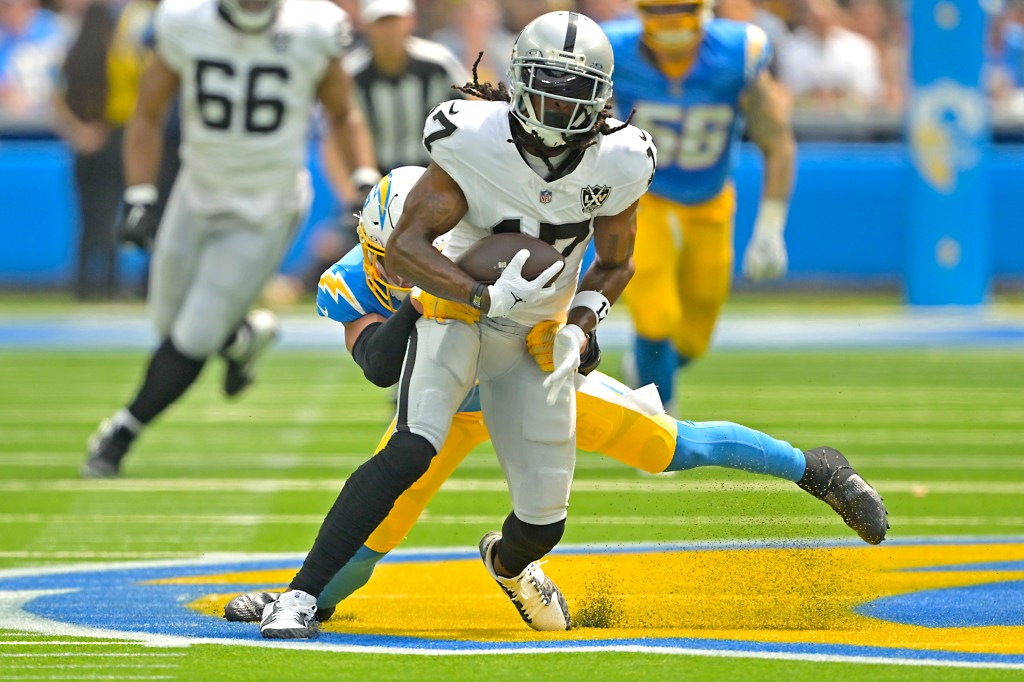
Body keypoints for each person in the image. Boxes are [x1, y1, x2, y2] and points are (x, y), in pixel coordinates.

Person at [222, 165, 889, 630]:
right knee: (365, 546)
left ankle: (816, 468)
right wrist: (429, 298)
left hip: (527, 382)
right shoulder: (356, 281)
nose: (405, 261)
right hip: (441, 408)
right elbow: (376, 361)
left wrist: (574, 339)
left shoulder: (491, 244)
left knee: (670, 446)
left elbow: (574, 327)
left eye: (420, 249)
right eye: (396, 253)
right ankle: (306, 597)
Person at [257, 10, 656, 638]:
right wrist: (478, 293)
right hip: (459, 312)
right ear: (520, 81)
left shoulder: (621, 160)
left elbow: (617, 262)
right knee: (412, 446)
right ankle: (300, 596)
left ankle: (507, 563)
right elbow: (406, 250)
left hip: (536, 338)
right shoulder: (472, 138)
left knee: (544, 524)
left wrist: (583, 320)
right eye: (546, 86)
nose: (555, 105)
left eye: (573, 91)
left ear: (602, 99)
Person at [80, 0, 377, 478]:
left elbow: (343, 113)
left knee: (193, 336)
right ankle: (241, 337)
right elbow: (147, 113)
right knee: (167, 324)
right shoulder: (184, 21)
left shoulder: (314, 26)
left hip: (267, 204)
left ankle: (121, 432)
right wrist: (139, 194)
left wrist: (364, 177)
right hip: (196, 195)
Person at [603, 0, 796, 411]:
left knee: (694, 337)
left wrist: (770, 227)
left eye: (681, 8)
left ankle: (646, 369)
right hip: (643, 197)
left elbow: (777, 141)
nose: (672, 19)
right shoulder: (613, 50)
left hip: (709, 202)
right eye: (661, 9)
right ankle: (660, 421)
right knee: (655, 315)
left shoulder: (735, 54)